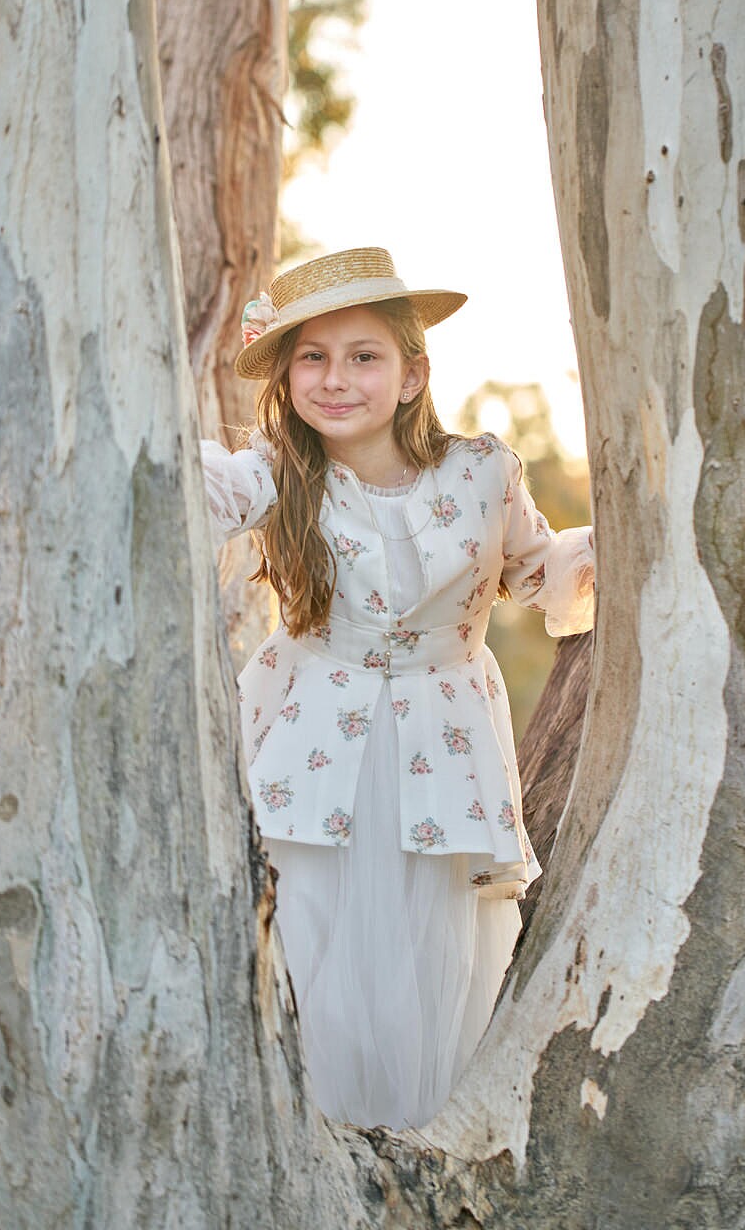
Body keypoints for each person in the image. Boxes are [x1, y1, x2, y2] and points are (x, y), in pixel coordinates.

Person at [200, 246, 594, 1130]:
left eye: (364, 355)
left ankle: (413, 1173)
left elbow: (535, 569)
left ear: (414, 373)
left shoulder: (483, 470)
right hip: (311, 743)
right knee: (308, 940)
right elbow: (204, 491)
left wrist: (600, 551)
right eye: (312, 356)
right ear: (288, 373)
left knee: (431, 959)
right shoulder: (279, 471)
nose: (336, 379)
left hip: (441, 753)